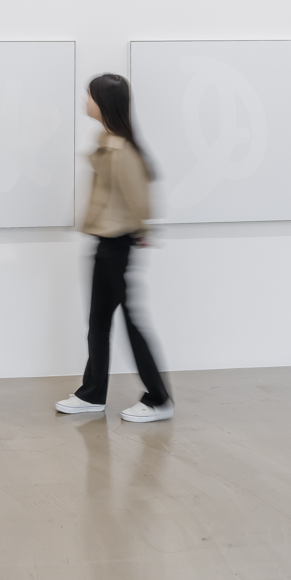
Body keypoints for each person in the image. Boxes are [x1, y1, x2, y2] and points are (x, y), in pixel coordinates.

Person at [56, 73, 174, 422]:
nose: (84, 100)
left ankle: (158, 398)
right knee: (99, 323)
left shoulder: (119, 149)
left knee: (129, 323)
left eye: (88, 95)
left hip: (116, 243)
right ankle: (92, 394)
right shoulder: (108, 140)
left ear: (103, 103)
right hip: (105, 242)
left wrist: (141, 229)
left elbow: (138, 196)